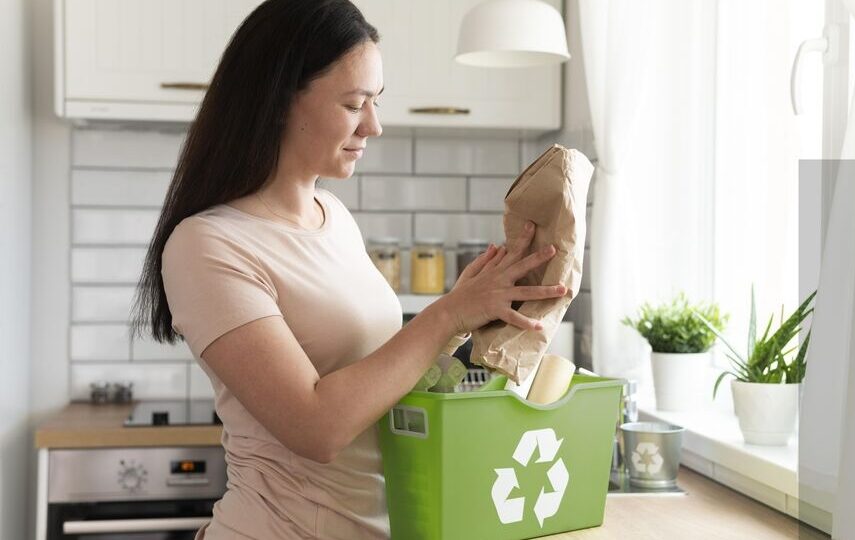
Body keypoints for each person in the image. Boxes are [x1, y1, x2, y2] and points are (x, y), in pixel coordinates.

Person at [130, 0, 566, 538]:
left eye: (376, 102)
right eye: (355, 103)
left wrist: (468, 317)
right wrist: (446, 314)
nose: (374, 126)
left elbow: (377, 376)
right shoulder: (208, 244)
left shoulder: (333, 216)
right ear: (279, 101)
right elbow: (316, 426)